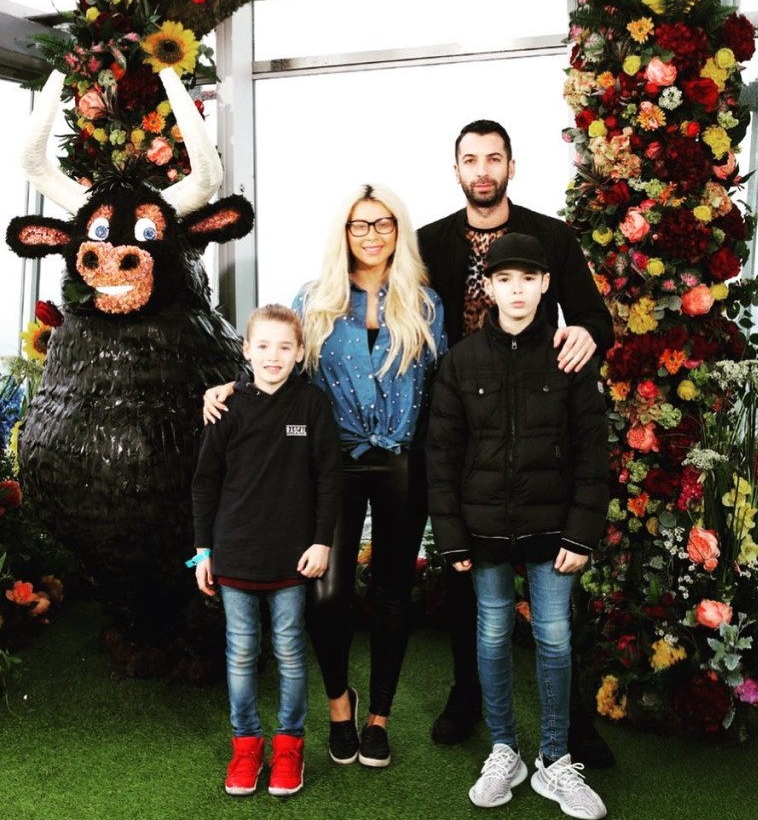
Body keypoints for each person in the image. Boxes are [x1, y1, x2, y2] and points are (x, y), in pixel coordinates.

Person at [203, 183, 447, 769]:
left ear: (397, 230)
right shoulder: (315, 300)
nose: (370, 235)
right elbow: (278, 365)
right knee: (326, 594)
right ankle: (340, 703)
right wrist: (228, 390)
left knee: (392, 591)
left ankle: (378, 719)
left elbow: (443, 389)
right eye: (359, 225)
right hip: (333, 462)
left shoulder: (424, 302)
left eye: (382, 223)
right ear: (344, 233)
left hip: (401, 464)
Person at [417, 119, 615, 765]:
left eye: (492, 158)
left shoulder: (551, 237)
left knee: (555, 617)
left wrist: (586, 336)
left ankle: (571, 728)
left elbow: (592, 318)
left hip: (538, 419)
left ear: (510, 165)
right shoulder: (428, 243)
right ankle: (468, 697)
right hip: (460, 416)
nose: (481, 169)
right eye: (469, 159)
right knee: (470, 583)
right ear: (455, 170)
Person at [191, 304, 342, 798]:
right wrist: (202, 552)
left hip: (293, 560)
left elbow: (329, 481)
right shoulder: (226, 407)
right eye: (263, 346)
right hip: (235, 555)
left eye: (284, 347)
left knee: (291, 654)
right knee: (240, 654)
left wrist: (322, 542)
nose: (273, 356)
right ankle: (247, 746)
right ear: (246, 350)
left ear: (300, 353)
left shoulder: (312, 406)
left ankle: (289, 745)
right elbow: (205, 484)